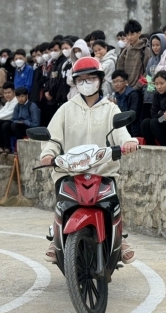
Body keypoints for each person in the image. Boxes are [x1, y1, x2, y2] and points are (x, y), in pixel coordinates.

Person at [40, 57, 139, 264]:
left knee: (111, 204)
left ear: (100, 80)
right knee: (63, 202)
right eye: (81, 79)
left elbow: (121, 133)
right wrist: (48, 154)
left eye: (91, 78)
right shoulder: (65, 109)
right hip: (69, 171)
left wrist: (128, 142)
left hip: (102, 170)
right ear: (75, 83)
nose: (86, 83)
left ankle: (119, 238)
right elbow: (53, 138)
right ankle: (56, 238)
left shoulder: (110, 109)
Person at [116, 19, 152, 90]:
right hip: (126, 89)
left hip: (140, 90)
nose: (129, 37)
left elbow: (148, 73)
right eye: (127, 35)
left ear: (139, 33)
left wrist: (137, 86)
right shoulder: (125, 51)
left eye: (132, 34)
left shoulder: (145, 51)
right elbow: (119, 70)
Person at [143, 33, 166, 120]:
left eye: (158, 45)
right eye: (153, 45)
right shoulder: (151, 60)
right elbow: (148, 76)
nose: (155, 47)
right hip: (150, 94)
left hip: (161, 95)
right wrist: (148, 91)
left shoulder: (165, 59)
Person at [112, 70, 141, 136]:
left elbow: (133, 114)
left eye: (119, 81)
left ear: (125, 82)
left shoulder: (134, 94)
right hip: (121, 127)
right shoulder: (115, 96)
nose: (116, 84)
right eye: (114, 82)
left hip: (133, 128)